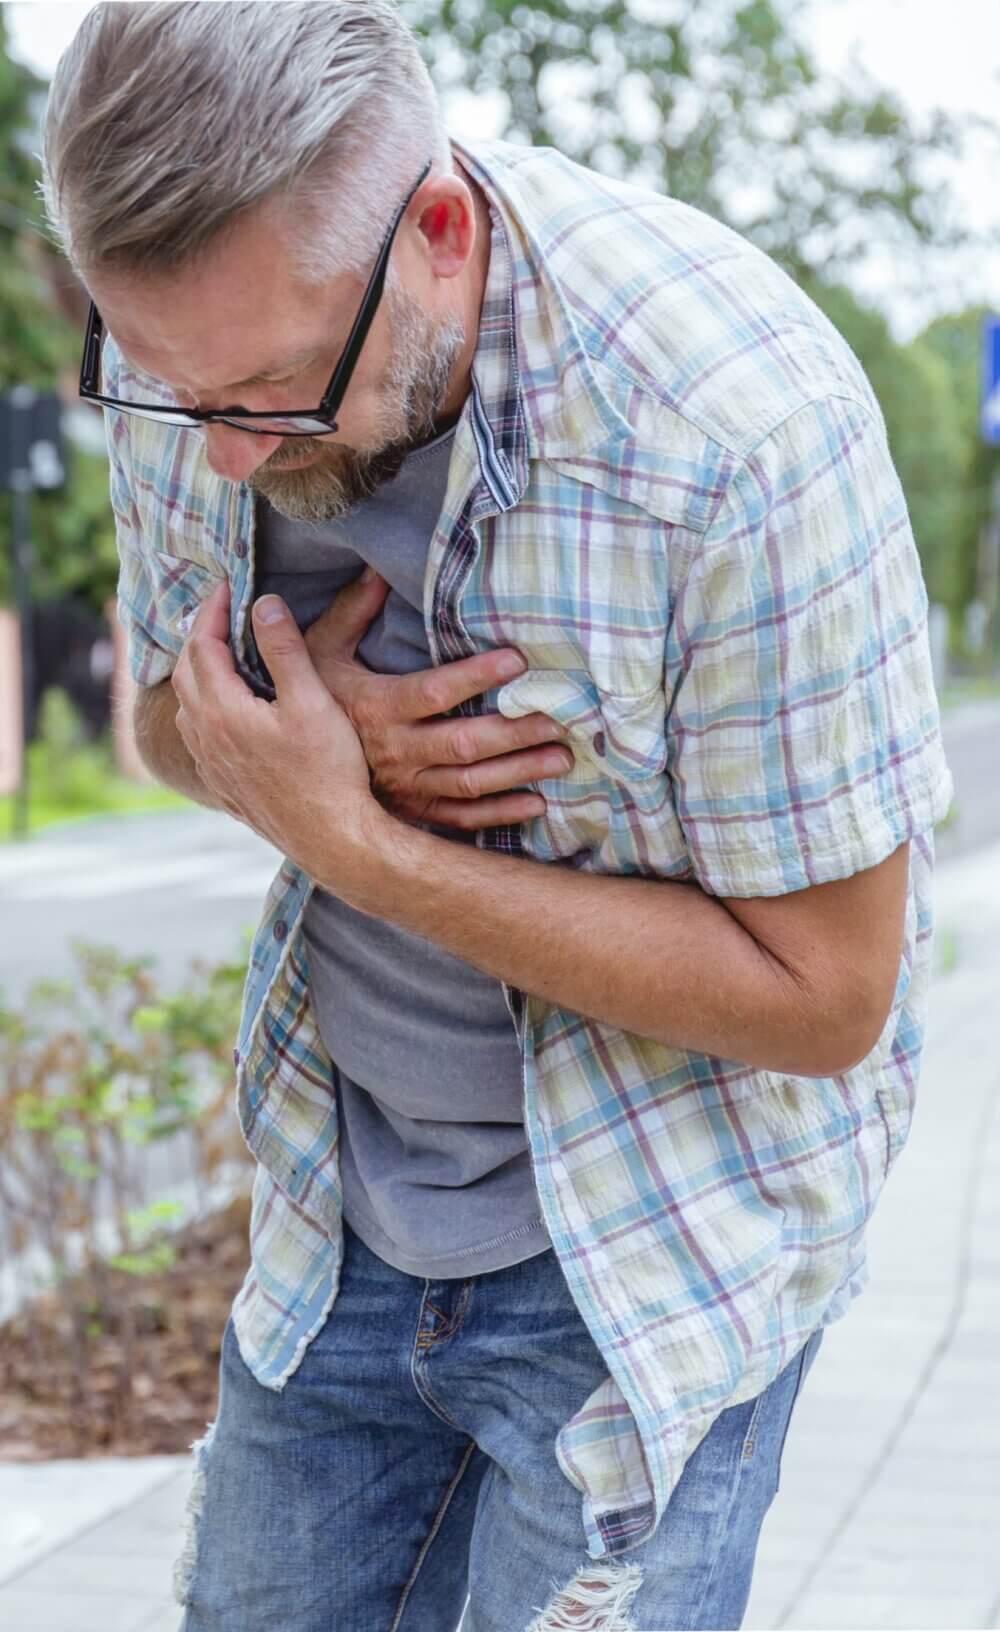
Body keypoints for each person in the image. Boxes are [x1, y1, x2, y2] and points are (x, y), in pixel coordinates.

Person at [42, 4, 953, 1629]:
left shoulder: (739, 433)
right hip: (339, 1219)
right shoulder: (198, 362)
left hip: (650, 1253)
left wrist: (362, 847)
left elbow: (830, 998)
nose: (226, 456)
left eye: (272, 393)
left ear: (439, 236)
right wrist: (317, 751)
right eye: (168, 390)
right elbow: (171, 724)